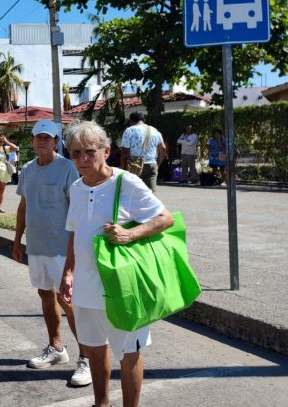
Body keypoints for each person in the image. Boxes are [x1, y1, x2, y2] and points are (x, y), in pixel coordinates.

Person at [60, 120, 174, 407]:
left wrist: (130, 233)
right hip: (86, 288)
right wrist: (68, 273)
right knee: (95, 352)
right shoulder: (75, 187)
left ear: (106, 151)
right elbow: (75, 233)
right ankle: (101, 404)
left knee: (128, 354)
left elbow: (165, 218)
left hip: (121, 288)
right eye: (75, 154)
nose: (83, 160)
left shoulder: (127, 183)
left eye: (89, 152)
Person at [11, 120, 90, 385]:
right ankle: (56, 348)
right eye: (38, 137)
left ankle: (87, 358)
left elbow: (78, 209)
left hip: (62, 247)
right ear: (32, 140)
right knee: (46, 296)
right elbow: (24, 205)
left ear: (57, 141)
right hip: (37, 246)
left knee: (69, 302)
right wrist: (16, 238)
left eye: (48, 137)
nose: (42, 142)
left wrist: (77, 249)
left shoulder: (68, 168)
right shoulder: (27, 169)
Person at [119, 112, 167, 192]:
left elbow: (124, 152)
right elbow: (163, 148)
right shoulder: (154, 130)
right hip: (152, 164)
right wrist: (158, 163)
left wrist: (121, 167)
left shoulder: (129, 130)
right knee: (150, 194)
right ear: (143, 120)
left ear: (131, 121)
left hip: (134, 166)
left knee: (133, 193)